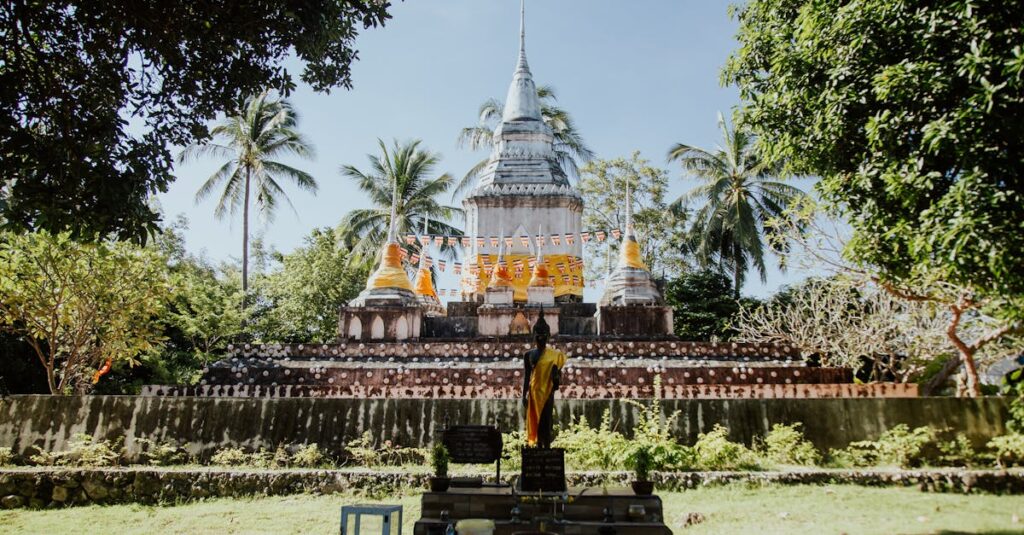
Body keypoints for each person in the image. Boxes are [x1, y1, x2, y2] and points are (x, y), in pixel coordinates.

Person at [522, 312, 566, 448]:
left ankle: (546, 447)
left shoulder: (555, 355)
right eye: (538, 336)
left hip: (547, 392)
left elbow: (558, 380)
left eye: (543, 336)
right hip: (534, 392)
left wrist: (555, 378)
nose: (540, 339)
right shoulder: (528, 355)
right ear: (534, 336)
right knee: (536, 421)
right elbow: (527, 376)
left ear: (548, 337)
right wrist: (523, 395)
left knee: (547, 421)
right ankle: (537, 447)